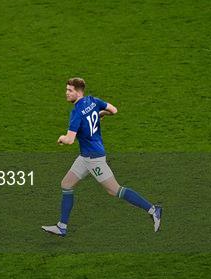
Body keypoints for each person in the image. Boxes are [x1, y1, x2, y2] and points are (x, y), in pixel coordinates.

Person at [41, 77, 162, 237]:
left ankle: (153, 210)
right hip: (85, 157)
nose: (66, 93)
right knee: (66, 184)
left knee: (114, 190)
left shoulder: (76, 113)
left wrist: (61, 138)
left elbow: (69, 140)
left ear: (78, 92)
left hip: (93, 159)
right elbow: (114, 110)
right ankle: (62, 226)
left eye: (69, 90)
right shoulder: (93, 100)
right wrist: (99, 114)